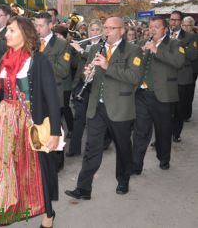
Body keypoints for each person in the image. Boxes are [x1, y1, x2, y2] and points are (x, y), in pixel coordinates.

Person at [0, 16, 62, 228]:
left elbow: (52, 97)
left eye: (12, 31)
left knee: (36, 169)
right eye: (7, 31)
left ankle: (48, 212)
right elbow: (0, 93)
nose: (7, 34)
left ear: (25, 34)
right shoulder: (5, 58)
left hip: (29, 121)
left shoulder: (38, 60)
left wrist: (54, 132)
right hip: (5, 118)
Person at [65, 17, 143, 199]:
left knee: (123, 147)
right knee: (92, 148)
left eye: (111, 28)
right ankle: (83, 188)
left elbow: (134, 78)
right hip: (96, 106)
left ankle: (123, 180)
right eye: (105, 28)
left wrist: (108, 67)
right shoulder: (94, 49)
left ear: (122, 31)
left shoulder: (133, 50)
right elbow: (89, 78)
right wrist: (88, 75)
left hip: (120, 107)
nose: (106, 31)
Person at [132, 16, 185, 174]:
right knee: (140, 131)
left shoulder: (175, 44)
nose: (152, 29)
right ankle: (136, 165)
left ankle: (164, 157)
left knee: (163, 131)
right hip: (142, 94)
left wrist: (157, 50)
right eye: (150, 26)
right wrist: (139, 56)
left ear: (165, 29)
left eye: (156, 26)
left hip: (163, 96)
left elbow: (179, 62)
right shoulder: (143, 43)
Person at [34, 12, 70, 171]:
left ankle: (58, 160)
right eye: (35, 25)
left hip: (54, 92)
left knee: (55, 126)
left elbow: (63, 71)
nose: (37, 29)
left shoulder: (62, 45)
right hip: (35, 93)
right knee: (38, 126)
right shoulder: (32, 43)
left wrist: (42, 59)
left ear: (50, 26)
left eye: (41, 25)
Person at [67, 19, 103, 156]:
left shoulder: (104, 45)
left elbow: (95, 58)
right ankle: (74, 149)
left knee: (94, 120)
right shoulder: (85, 43)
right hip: (80, 85)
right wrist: (73, 50)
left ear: (102, 32)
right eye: (92, 30)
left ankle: (93, 150)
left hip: (95, 86)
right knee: (79, 118)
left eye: (97, 30)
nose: (94, 32)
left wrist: (81, 51)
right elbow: (75, 64)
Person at [168, 11, 198, 142]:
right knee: (165, 109)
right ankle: (162, 136)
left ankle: (176, 133)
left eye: (176, 20)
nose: (173, 22)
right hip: (165, 77)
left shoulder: (190, 37)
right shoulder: (163, 35)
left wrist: (178, 45)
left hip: (182, 77)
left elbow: (192, 56)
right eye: (171, 19)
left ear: (180, 21)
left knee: (179, 109)